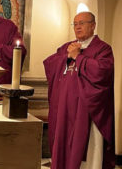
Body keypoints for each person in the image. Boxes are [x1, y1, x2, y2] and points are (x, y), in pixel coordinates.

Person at [43, 12, 115, 169]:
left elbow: (102, 72)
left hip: (87, 111)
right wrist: (67, 56)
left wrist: (79, 57)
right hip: (65, 108)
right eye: (75, 24)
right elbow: (50, 64)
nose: (78, 27)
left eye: (82, 23)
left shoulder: (103, 49)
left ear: (93, 25)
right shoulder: (66, 47)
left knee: (87, 152)